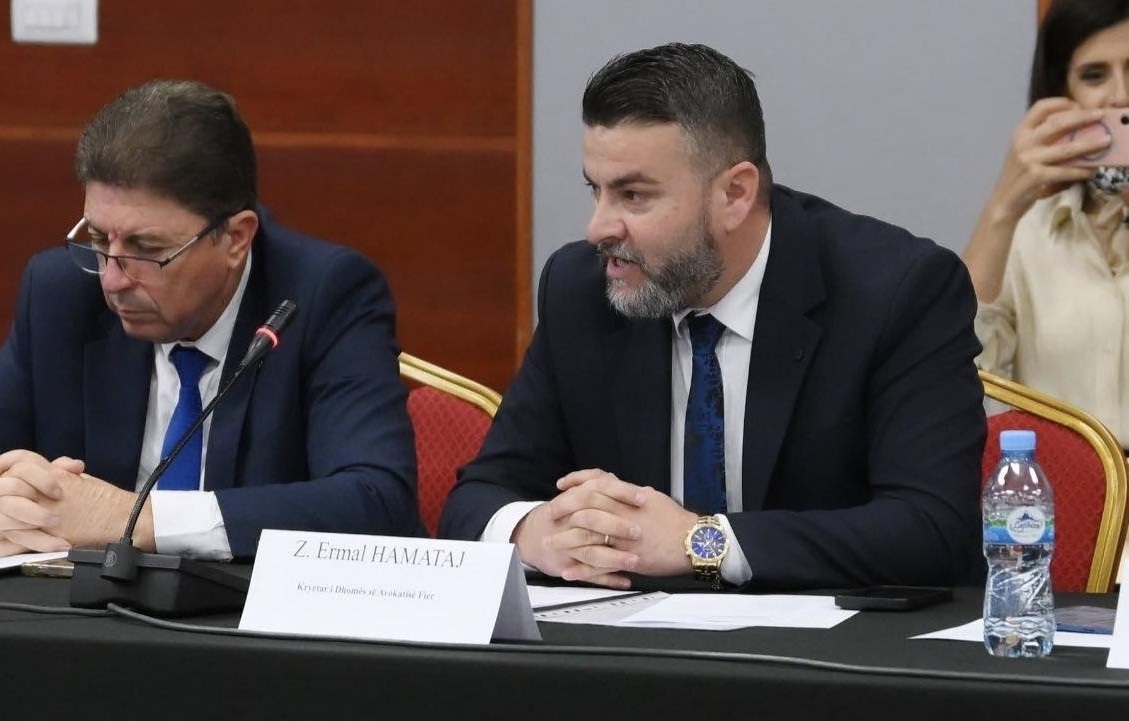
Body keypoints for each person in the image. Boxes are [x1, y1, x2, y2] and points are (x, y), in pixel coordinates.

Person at [439, 43, 986, 591]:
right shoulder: (581, 291)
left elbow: (933, 529)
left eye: (633, 195)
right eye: (595, 190)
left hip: (827, 639)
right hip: (629, 637)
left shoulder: (895, 292)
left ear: (734, 194)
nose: (598, 228)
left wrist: (700, 542)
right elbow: (478, 497)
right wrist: (537, 533)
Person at [0, 79, 421, 560]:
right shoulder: (60, 294)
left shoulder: (323, 296)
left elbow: (374, 501)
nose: (112, 280)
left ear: (237, 238)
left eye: (147, 249)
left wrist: (134, 519)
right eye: (98, 240)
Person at [964, 0, 1129, 447]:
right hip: (1057, 489)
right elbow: (956, 373)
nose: (1119, 96)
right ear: (1062, 95)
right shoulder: (1027, 234)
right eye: (1094, 75)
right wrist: (1003, 207)